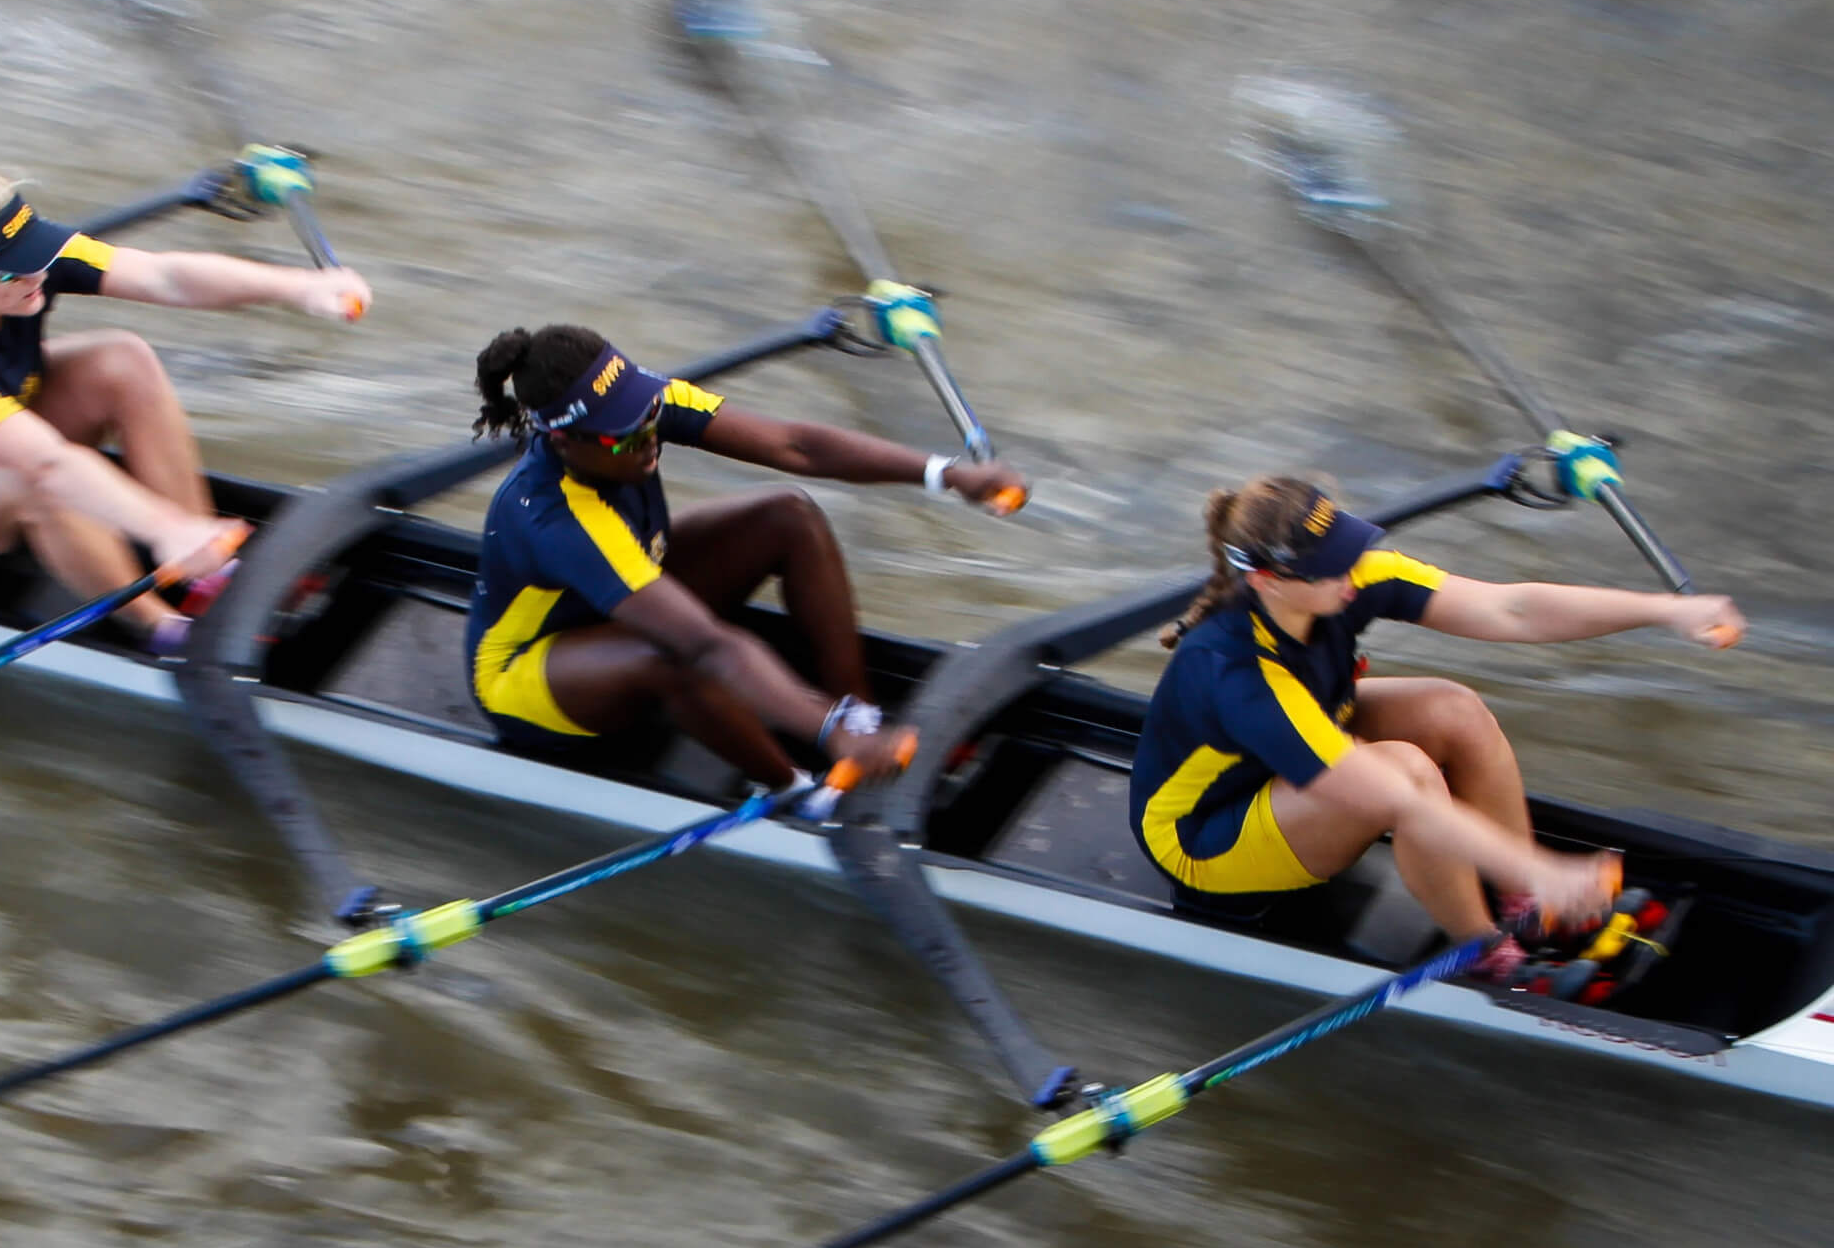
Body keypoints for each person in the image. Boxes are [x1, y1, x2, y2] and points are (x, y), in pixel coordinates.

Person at [1130, 474, 1745, 978]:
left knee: (1454, 709)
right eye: (1331, 569)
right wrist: (1552, 869)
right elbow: (1397, 798)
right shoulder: (1239, 673)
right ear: (1268, 581)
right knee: (1410, 774)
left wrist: (1666, 610)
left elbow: (1512, 609)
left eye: (1346, 552)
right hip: (1204, 838)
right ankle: (1488, 955)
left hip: (1292, 758)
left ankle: (1525, 906)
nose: (1352, 574)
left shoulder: (1340, 580)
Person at [461, 323, 1024, 790]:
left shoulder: (640, 405)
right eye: (623, 438)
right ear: (564, 441)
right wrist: (827, 732)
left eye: (648, 415)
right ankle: (796, 789)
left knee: (788, 515)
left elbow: (795, 445)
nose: (647, 436)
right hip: (529, 677)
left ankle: (861, 716)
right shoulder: (557, 518)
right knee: (674, 653)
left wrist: (949, 474)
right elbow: (706, 643)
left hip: (617, 604)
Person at [0, 162, 370, 646]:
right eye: (13, 274)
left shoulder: (26, 264)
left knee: (122, 358)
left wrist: (300, 288)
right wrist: (164, 529)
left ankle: (205, 572)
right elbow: (47, 461)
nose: (37, 280)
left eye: (36, 260)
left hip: (0, 437)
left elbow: (167, 277)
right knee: (41, 479)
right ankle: (164, 628)